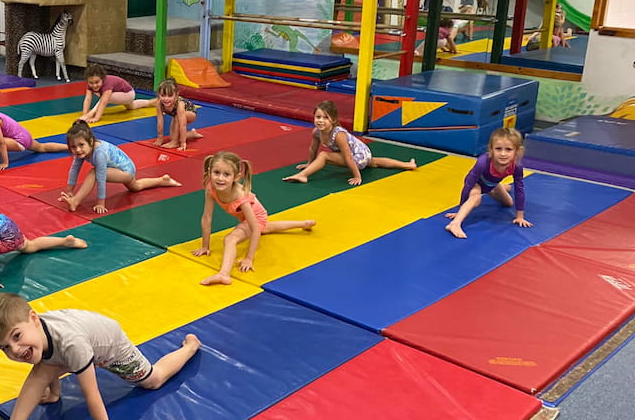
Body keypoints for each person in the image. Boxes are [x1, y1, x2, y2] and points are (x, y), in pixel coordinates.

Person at [0, 292, 202, 420]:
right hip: (81, 339)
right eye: (5, 347)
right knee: (39, 373)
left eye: (16, 337)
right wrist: (54, 391)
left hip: (111, 348)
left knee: (153, 380)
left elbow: (92, 395)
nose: (15, 349)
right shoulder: (34, 332)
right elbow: (47, 356)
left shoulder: (71, 344)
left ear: (34, 318)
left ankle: (190, 348)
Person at [194, 150, 316, 286]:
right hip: (252, 218)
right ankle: (304, 223)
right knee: (266, 228)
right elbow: (207, 218)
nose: (220, 178)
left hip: (257, 218)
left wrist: (249, 258)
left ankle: (224, 274)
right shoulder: (210, 188)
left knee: (230, 239)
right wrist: (205, 246)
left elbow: (255, 228)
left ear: (236, 177)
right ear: (209, 172)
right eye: (216, 173)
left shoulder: (241, 197)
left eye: (226, 174)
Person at [283, 100, 416, 185]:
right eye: (318, 117)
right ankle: (407, 165)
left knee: (324, 156)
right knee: (374, 162)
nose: (321, 121)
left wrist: (357, 177)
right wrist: (309, 163)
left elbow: (348, 156)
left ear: (333, 120)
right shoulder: (316, 132)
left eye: (325, 118)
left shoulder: (338, 134)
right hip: (364, 153)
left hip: (357, 156)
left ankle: (303, 176)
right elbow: (313, 149)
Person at [58, 121, 181, 213]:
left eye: (81, 145)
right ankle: (162, 180)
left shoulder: (99, 153)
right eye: (73, 147)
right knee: (136, 186)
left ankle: (75, 202)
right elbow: (74, 169)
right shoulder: (83, 151)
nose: (78, 149)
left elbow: (101, 178)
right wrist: (69, 191)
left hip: (125, 171)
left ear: (90, 141)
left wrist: (101, 203)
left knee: (94, 173)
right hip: (127, 168)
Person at [445, 127, 530, 239]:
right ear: (491, 149)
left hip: (492, 184)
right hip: (477, 184)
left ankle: (500, 188)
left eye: (508, 149)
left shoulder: (516, 166)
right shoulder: (483, 162)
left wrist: (520, 216)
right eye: (498, 149)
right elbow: (468, 184)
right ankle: (454, 225)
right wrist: (461, 209)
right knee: (475, 198)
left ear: (517, 151)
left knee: (509, 203)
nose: (503, 154)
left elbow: (519, 188)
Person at [78, 65, 145, 123]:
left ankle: (91, 113)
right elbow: (88, 99)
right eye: (91, 83)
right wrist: (85, 113)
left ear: (102, 79)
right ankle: (149, 102)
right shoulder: (90, 84)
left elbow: (104, 102)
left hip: (128, 94)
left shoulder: (107, 83)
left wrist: (96, 117)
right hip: (122, 96)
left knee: (107, 97)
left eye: (97, 82)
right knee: (131, 107)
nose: (94, 85)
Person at [153, 77, 202, 151]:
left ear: (176, 95)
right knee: (172, 137)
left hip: (190, 113)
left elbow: (183, 125)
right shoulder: (159, 104)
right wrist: (160, 138)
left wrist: (183, 143)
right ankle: (192, 134)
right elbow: (160, 121)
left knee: (177, 117)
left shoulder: (179, 104)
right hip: (176, 115)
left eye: (170, 96)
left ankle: (175, 142)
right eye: (163, 95)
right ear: (158, 95)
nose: (166, 99)